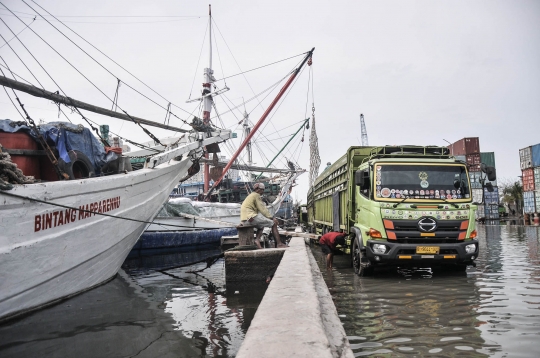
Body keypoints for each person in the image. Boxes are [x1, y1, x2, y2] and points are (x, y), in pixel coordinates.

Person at [240, 182, 286, 249]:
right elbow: (262, 209)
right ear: (259, 189)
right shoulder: (256, 195)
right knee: (274, 224)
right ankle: (279, 244)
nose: (263, 191)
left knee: (261, 225)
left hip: (245, 219)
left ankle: (257, 240)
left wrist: (267, 218)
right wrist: (272, 218)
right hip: (251, 217)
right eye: (262, 190)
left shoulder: (250, 196)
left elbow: (258, 211)